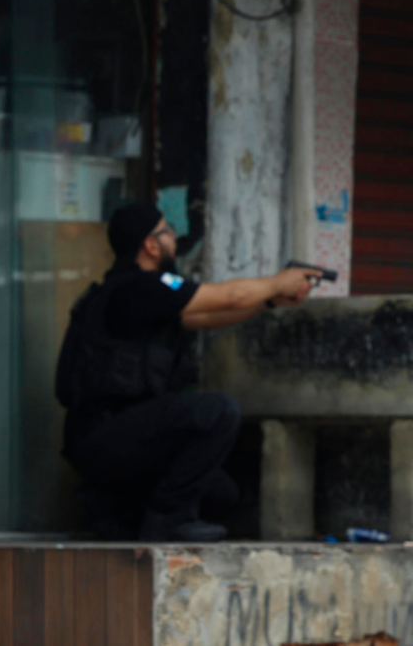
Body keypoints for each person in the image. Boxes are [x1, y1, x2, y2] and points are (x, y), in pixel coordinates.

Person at [56, 202, 320, 542]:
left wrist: (269, 301)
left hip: (112, 437)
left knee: (220, 492)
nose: (174, 238)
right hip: (108, 434)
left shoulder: (129, 291)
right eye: (166, 231)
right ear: (150, 245)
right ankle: (167, 520)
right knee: (218, 412)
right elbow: (233, 297)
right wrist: (278, 282)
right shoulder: (143, 287)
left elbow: (207, 316)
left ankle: (113, 509)